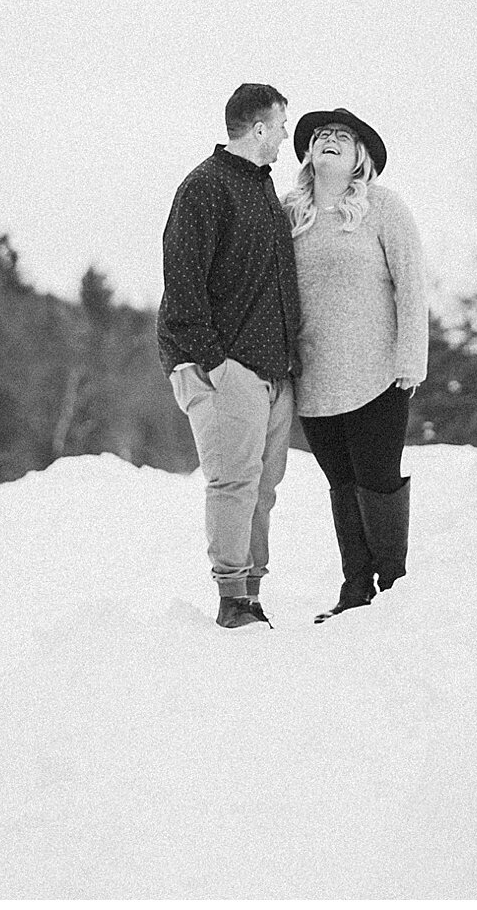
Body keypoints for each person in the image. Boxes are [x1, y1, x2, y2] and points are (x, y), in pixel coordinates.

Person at [156, 83, 301, 630]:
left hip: (270, 368)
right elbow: (184, 282)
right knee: (234, 481)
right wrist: (216, 364)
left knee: (264, 484)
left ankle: (251, 594)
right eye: (282, 126)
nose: (286, 137)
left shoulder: (261, 190)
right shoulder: (204, 188)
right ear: (260, 128)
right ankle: (231, 598)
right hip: (224, 366)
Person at [283, 107, 429, 623]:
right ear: (308, 154)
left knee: (377, 479)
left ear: (359, 156)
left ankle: (392, 588)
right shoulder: (289, 213)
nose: (328, 139)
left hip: (377, 374)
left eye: (341, 136)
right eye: (320, 135)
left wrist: (413, 357)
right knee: (341, 483)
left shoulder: (383, 208)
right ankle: (355, 588)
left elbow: (412, 283)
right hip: (314, 378)